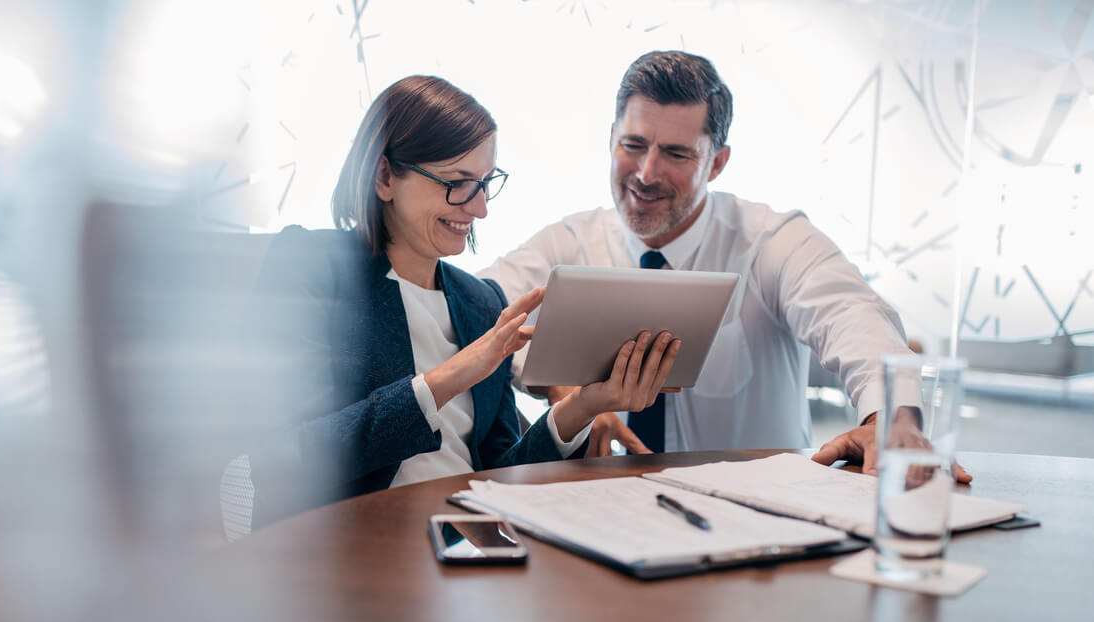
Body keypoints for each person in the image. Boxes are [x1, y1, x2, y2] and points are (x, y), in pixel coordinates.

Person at [479, 51, 970, 482]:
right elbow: (474, 315)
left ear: (717, 162)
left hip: (754, 534)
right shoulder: (569, 244)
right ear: (611, 139)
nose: (647, 173)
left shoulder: (770, 240)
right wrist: (564, 393)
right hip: (600, 519)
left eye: (676, 153)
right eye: (633, 145)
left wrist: (891, 420)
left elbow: (853, 315)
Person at [249, 75, 679, 507]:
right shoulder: (311, 266)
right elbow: (287, 458)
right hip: (349, 546)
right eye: (458, 183)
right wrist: (452, 375)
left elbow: (502, 475)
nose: (480, 208)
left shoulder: (480, 301)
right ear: (384, 176)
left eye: (485, 182)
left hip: (463, 541)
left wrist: (584, 406)